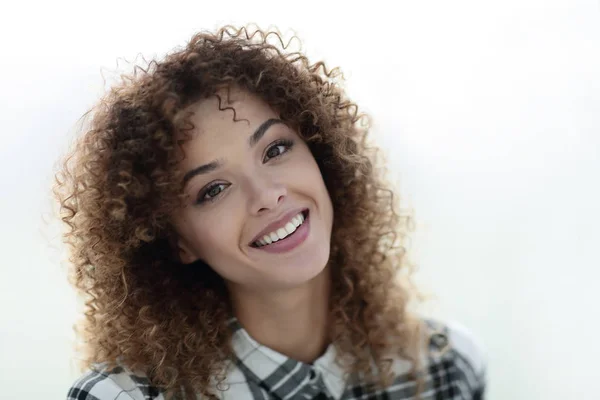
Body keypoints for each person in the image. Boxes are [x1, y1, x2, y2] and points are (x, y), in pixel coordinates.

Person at [56, 25, 486, 400]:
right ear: (177, 242)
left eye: (276, 149)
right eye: (214, 189)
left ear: (320, 154)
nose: (267, 195)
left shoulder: (445, 370)